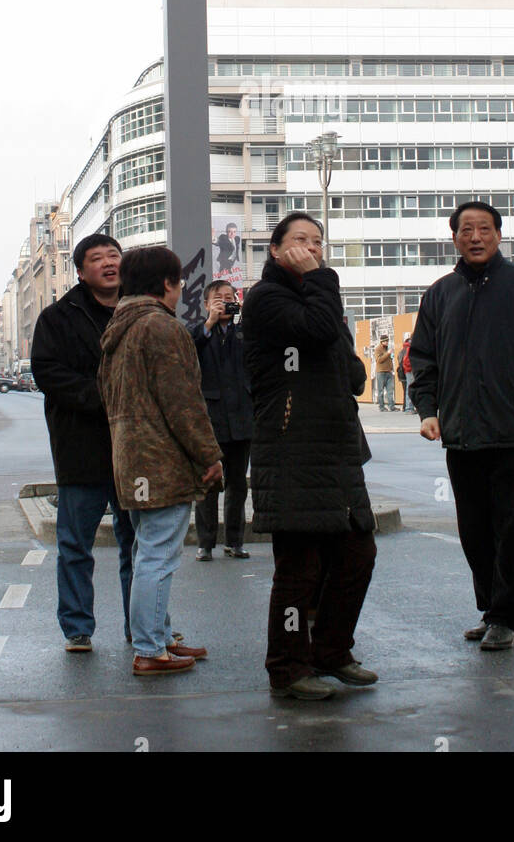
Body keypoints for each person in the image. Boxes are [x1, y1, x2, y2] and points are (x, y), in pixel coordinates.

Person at [409, 201, 514, 651]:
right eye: (466, 230)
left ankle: (506, 616)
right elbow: (423, 359)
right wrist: (427, 409)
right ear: (454, 238)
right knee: (474, 530)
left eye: (484, 229)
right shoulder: (441, 293)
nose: (475, 237)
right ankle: (489, 608)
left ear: (499, 235)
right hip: (461, 435)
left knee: (513, 528)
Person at [242, 211, 378, 700]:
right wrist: (323, 280)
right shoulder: (266, 299)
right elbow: (320, 332)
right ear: (275, 251)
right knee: (299, 571)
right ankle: (289, 667)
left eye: (317, 241)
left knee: (358, 554)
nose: (311, 248)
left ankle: (333, 651)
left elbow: (351, 367)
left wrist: (347, 369)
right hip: (292, 449)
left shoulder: (318, 295)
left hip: (337, 449)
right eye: (299, 240)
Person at [97, 246, 223, 676]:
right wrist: (209, 455)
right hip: (161, 459)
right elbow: (184, 402)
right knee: (157, 555)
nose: (181, 288)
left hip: (130, 457)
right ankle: (150, 649)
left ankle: (161, 636)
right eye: (178, 281)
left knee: (146, 550)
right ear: (167, 284)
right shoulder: (161, 328)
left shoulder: (119, 327)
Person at [31, 234, 135, 652]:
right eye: (97, 258)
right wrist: (105, 398)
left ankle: (142, 624)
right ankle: (77, 627)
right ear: (80, 270)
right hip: (80, 448)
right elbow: (48, 373)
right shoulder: (58, 317)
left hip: (134, 447)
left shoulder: (140, 310)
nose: (109, 264)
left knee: (138, 544)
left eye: (114, 256)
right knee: (75, 543)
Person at [190, 279, 253, 561]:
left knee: (237, 484)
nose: (225, 301)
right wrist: (209, 323)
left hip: (241, 419)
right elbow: (188, 353)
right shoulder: (198, 333)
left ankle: (235, 541)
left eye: (230, 297)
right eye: (218, 298)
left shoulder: (245, 332)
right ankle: (205, 543)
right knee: (208, 484)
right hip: (209, 421)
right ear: (206, 304)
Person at [372, 333, 396, 411]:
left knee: (390, 390)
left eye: (387, 341)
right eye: (385, 341)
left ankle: (391, 406)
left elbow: (390, 359)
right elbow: (379, 360)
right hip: (381, 372)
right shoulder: (377, 349)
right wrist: (388, 353)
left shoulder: (387, 348)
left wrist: (392, 368)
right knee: (381, 391)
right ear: (381, 342)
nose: (386, 342)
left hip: (389, 372)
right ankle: (381, 407)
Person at [397, 331, 414, 411]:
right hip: (409, 371)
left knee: (408, 388)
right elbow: (406, 361)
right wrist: (410, 368)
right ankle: (409, 408)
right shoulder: (409, 348)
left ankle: (408, 407)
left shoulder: (405, 349)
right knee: (409, 388)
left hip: (406, 371)